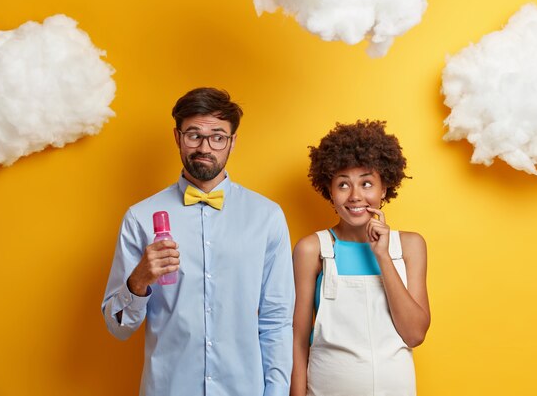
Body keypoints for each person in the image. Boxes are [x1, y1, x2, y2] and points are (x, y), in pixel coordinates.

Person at [102, 87, 295, 396]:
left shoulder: (267, 217)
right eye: (194, 135)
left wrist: (276, 392)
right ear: (178, 137)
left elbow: (276, 321)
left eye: (218, 137)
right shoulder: (140, 217)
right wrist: (138, 281)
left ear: (232, 142)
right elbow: (118, 327)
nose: (205, 147)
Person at [290, 120, 430, 396]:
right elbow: (297, 339)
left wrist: (383, 257)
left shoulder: (410, 246)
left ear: (384, 188)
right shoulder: (312, 249)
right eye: (343, 185)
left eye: (366, 183)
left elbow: (415, 334)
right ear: (329, 191)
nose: (355, 196)